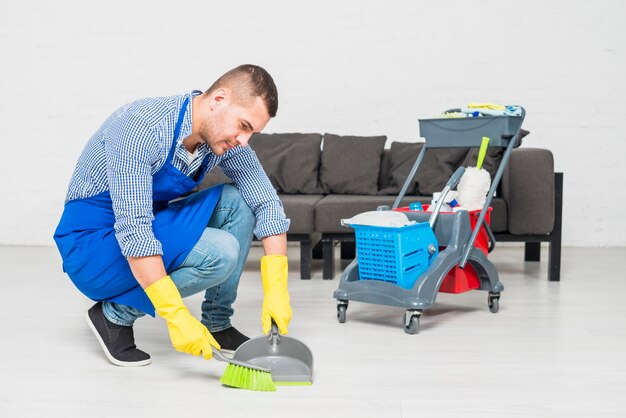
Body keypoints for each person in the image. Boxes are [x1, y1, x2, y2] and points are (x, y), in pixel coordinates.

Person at [53, 64, 292, 367]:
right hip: (93, 245)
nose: (244, 140)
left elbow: (266, 202)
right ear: (219, 99)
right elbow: (135, 230)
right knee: (221, 252)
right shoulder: (142, 127)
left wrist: (277, 288)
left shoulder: (220, 136)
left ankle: (218, 323)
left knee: (238, 200)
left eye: (252, 132)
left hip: (148, 222)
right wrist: (176, 315)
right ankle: (114, 316)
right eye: (243, 125)